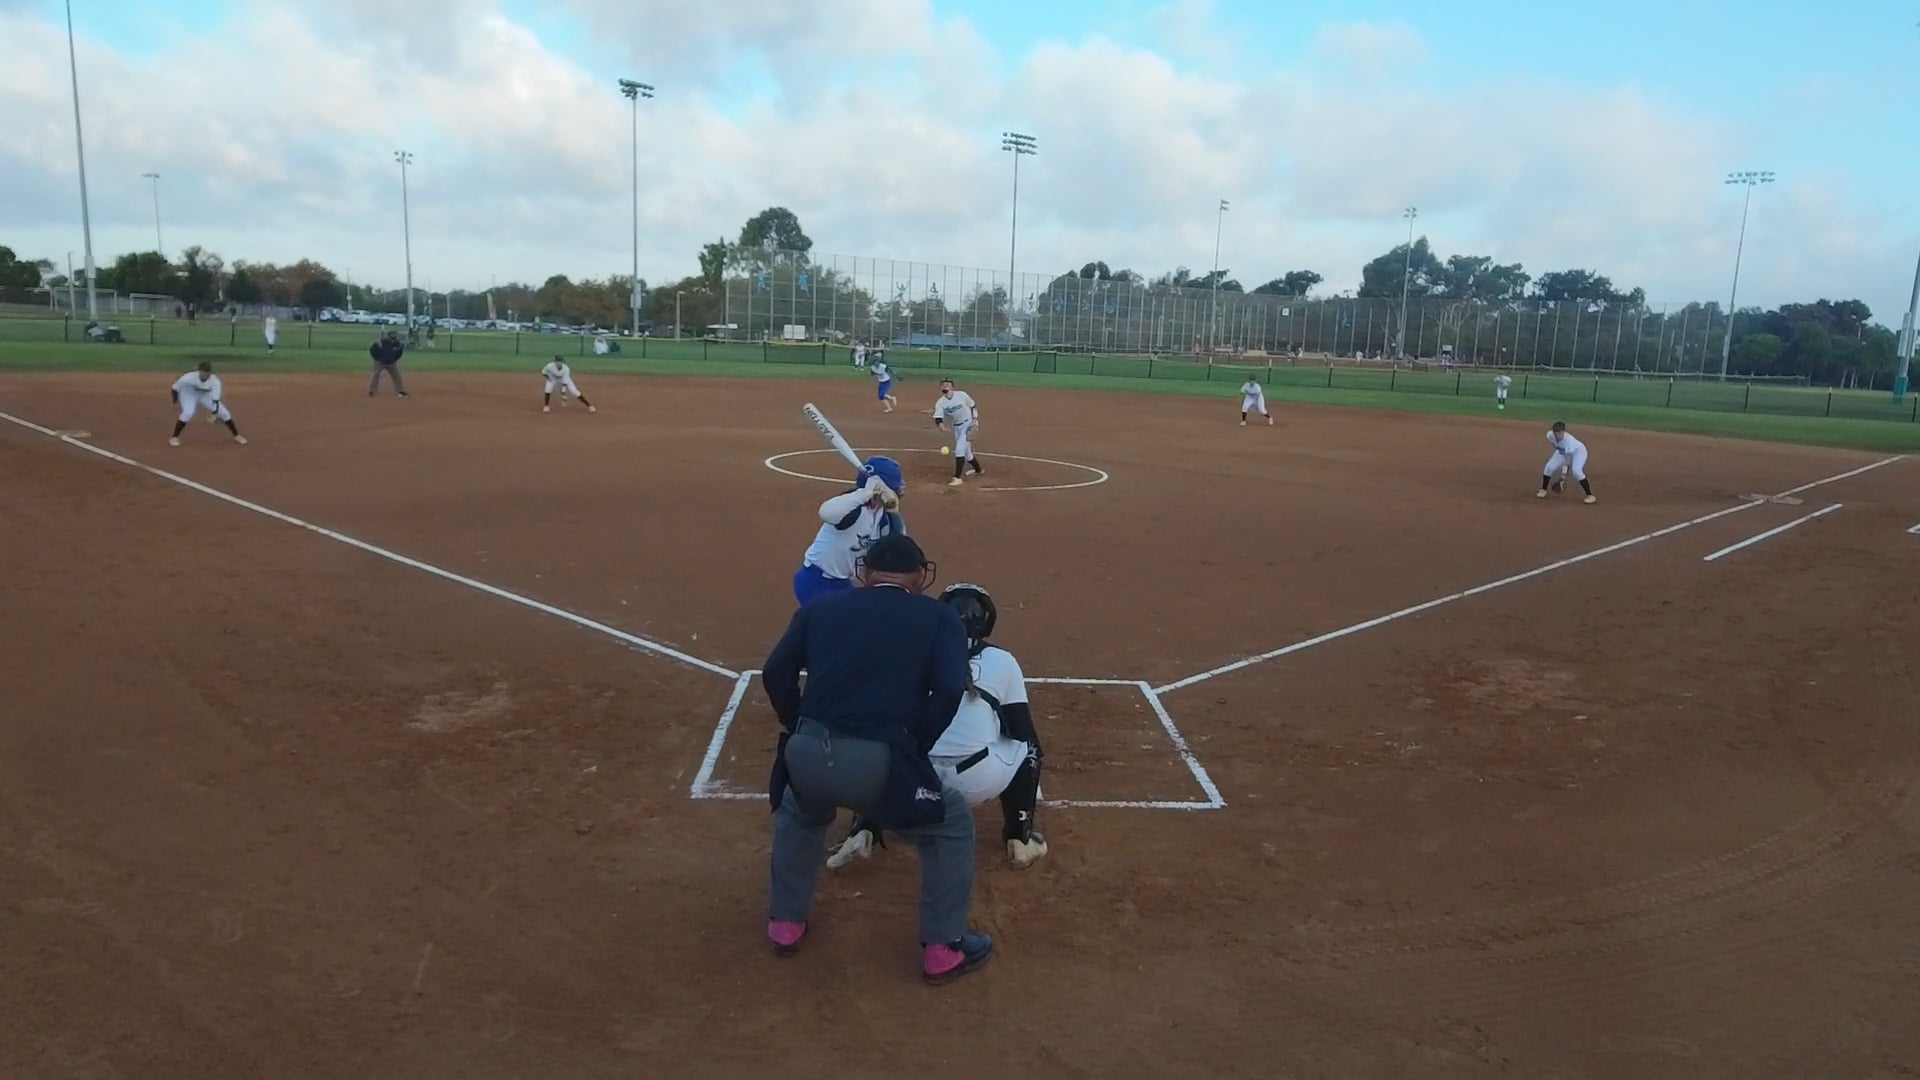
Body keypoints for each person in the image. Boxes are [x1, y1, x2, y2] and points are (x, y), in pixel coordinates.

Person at [761, 533, 993, 985]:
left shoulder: (819, 608)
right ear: (919, 576)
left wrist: (800, 725)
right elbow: (949, 690)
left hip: (807, 753)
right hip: (881, 762)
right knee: (951, 825)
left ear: (865, 573)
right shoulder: (939, 617)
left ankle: (784, 924)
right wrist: (915, 747)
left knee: (800, 812)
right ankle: (943, 948)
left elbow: (775, 672)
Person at [829, 581, 1048, 872]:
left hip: (913, 781)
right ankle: (1019, 838)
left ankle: (863, 829)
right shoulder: (1002, 661)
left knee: (881, 738)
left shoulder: (907, 654)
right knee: (1028, 748)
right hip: (976, 783)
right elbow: (1021, 731)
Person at [793, 457, 906, 606]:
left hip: (842, 582)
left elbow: (899, 542)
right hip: (815, 581)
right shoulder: (853, 507)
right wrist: (865, 493)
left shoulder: (883, 515)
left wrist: (894, 512)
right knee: (832, 620)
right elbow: (826, 512)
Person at [169, 362, 247, 447]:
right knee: (188, 413)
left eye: (207, 373)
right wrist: (175, 402)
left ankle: (237, 435)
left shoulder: (215, 381)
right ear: (199, 371)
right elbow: (175, 388)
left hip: (205, 395)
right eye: (203, 372)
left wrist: (214, 414)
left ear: (210, 373)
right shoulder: (188, 377)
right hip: (189, 393)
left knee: (225, 413)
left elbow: (215, 400)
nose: (205, 375)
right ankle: (174, 437)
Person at [931, 378, 981, 487]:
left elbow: (972, 405)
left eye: (948, 385)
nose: (945, 387)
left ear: (952, 387)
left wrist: (975, 419)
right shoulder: (941, 402)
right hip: (957, 428)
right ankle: (979, 470)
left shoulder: (962, 395)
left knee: (959, 450)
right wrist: (941, 426)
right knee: (967, 454)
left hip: (968, 424)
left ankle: (957, 478)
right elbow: (938, 417)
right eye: (943, 385)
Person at [1539, 421, 1596, 504]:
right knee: (1549, 467)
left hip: (1578, 452)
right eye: (1556, 432)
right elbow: (1559, 448)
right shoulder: (1550, 435)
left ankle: (1590, 495)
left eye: (1560, 432)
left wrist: (1563, 476)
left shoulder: (1569, 441)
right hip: (1562, 451)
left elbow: (1567, 461)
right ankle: (1543, 490)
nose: (1557, 435)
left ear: (1563, 432)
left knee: (1576, 471)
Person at [368, 331, 409, 397]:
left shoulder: (397, 344)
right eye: (391, 337)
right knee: (375, 375)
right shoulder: (382, 342)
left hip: (391, 363)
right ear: (388, 337)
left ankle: (400, 391)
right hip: (380, 363)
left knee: (396, 376)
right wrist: (377, 359)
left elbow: (399, 353)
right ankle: (372, 391)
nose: (393, 339)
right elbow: (372, 350)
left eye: (394, 337)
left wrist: (394, 359)